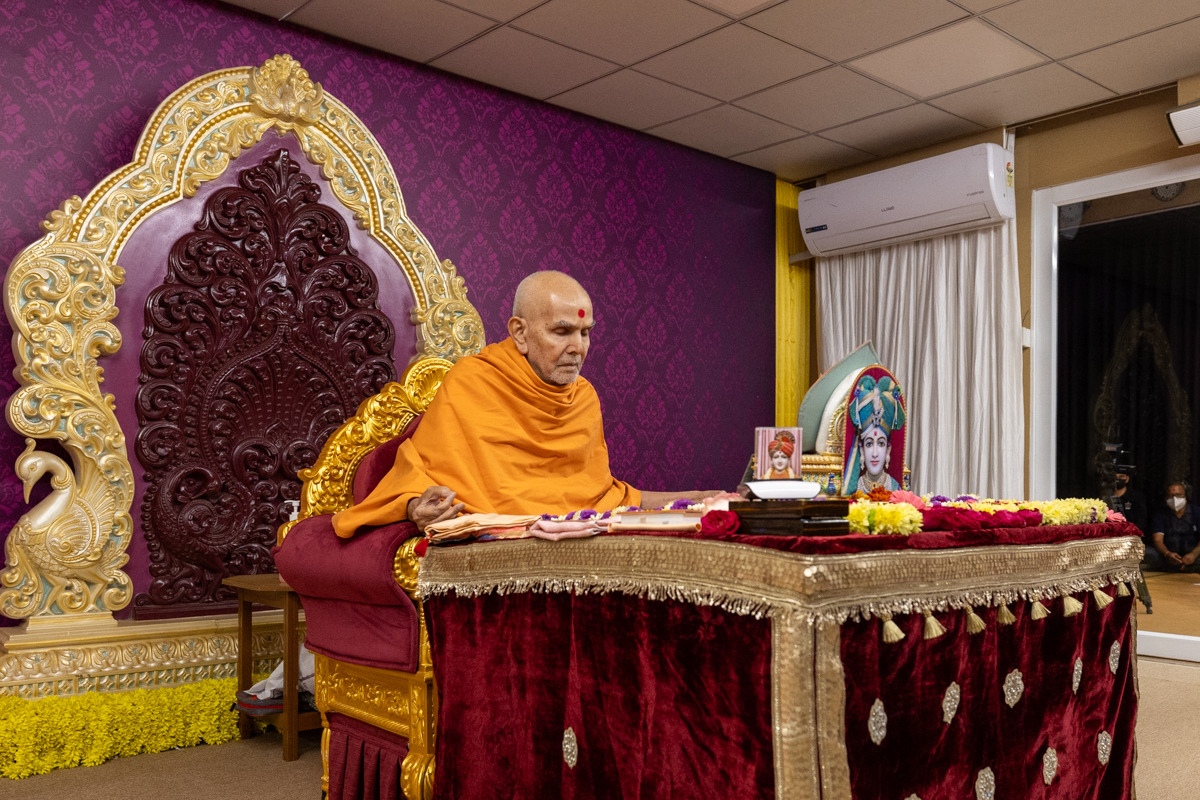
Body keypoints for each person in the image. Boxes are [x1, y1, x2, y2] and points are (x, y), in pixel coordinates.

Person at [332, 270, 723, 536]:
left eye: (585, 332)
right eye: (562, 331)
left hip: (575, 540)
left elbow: (601, 496)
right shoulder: (473, 384)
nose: (578, 348)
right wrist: (417, 506)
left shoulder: (583, 397)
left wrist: (700, 501)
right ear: (519, 332)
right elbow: (419, 475)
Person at [844, 374, 905, 494]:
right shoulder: (854, 491)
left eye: (881, 443)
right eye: (869, 444)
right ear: (861, 450)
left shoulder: (896, 490)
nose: (875, 454)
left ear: (888, 450)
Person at [1145, 482, 1200, 572]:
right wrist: (1167, 554)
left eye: (1178, 495)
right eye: (1171, 496)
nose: (1175, 499)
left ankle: (1184, 567)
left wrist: (1193, 554)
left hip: (1194, 555)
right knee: (1148, 552)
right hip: (1167, 556)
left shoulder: (1197, 512)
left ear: (1186, 496)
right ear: (1166, 498)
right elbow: (1158, 540)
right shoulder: (1160, 514)